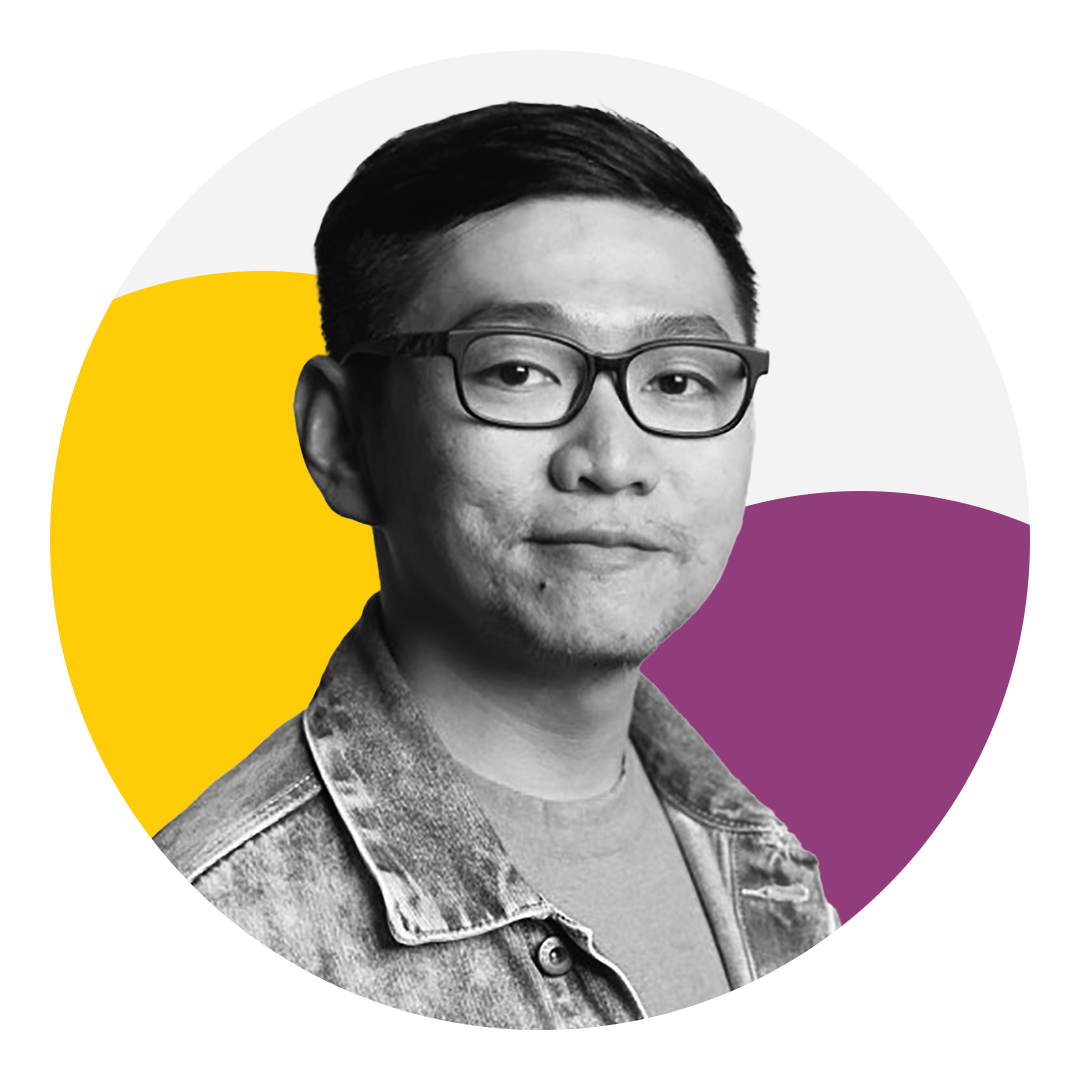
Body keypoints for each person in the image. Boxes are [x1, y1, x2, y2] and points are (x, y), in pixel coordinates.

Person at [49, 102, 855, 1031]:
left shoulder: (765, 871)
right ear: (344, 438)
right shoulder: (181, 978)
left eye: (677, 380)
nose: (611, 459)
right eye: (517, 371)